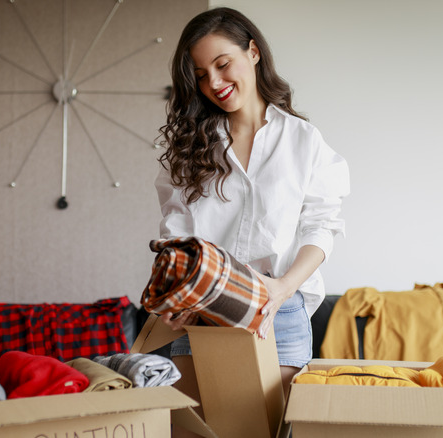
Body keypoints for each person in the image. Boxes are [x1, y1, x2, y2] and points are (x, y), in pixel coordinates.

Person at [154, 7, 349, 436]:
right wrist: (176, 295)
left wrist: (283, 289)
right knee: (195, 434)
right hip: (202, 310)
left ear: (254, 52)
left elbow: (322, 225)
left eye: (222, 65)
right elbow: (176, 230)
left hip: (275, 309)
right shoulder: (192, 144)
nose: (215, 84)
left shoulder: (302, 141)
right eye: (201, 75)